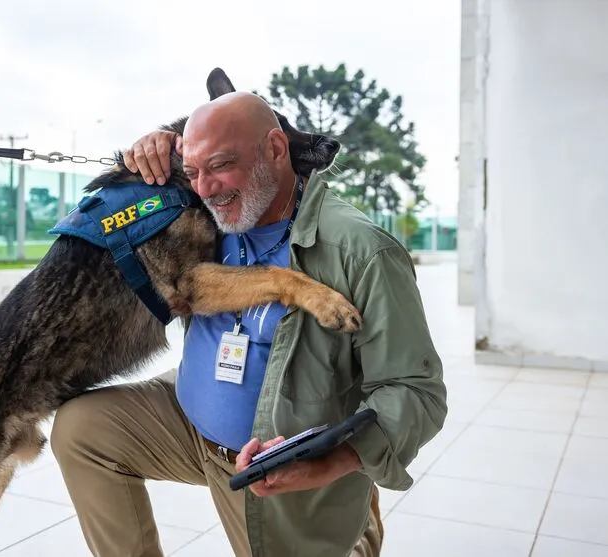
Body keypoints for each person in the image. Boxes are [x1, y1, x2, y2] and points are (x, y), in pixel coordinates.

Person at [50, 91, 447, 557]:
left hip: (280, 468)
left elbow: (416, 391)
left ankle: (355, 519)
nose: (205, 188)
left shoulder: (361, 251)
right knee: (83, 430)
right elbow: (139, 236)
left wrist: (331, 463)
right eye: (194, 171)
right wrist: (143, 159)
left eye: (220, 165)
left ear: (277, 150)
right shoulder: (196, 212)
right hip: (190, 424)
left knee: (328, 534)